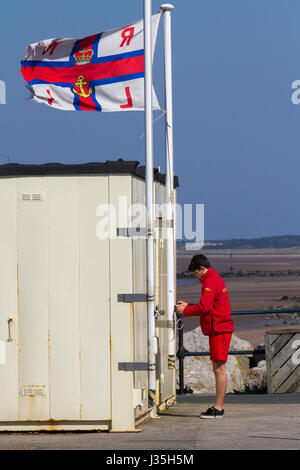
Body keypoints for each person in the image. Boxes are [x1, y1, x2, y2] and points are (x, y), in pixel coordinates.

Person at [176, 254, 234, 419]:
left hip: (219, 329)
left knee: (219, 369)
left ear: (202, 269)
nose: (196, 277)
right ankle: (218, 406)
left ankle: (219, 408)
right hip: (219, 328)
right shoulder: (214, 279)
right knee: (218, 368)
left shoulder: (210, 281)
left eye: (195, 273)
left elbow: (205, 307)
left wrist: (185, 311)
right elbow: (208, 306)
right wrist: (190, 305)